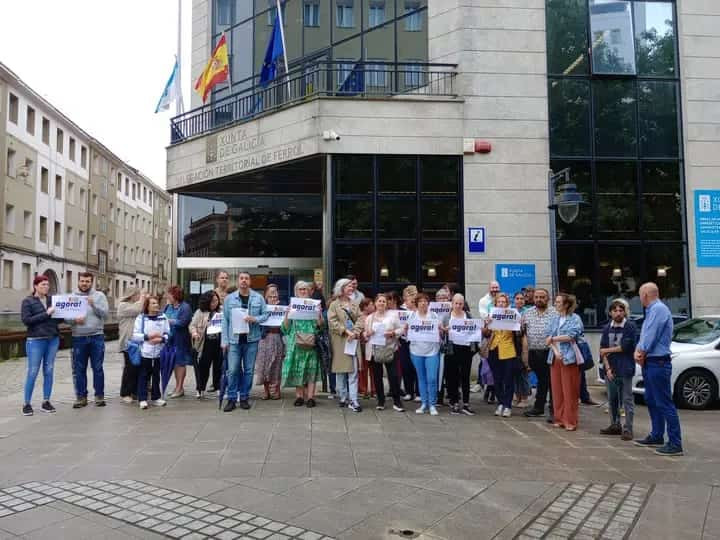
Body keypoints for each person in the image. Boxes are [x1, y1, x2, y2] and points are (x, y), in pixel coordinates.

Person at [633, 283, 683, 456]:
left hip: (658, 362)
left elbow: (651, 335)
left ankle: (675, 443)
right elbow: (644, 334)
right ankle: (656, 435)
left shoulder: (658, 309)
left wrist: (641, 351)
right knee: (652, 400)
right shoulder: (652, 310)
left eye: (640, 295)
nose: (639, 299)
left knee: (664, 402)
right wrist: (639, 351)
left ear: (645, 295)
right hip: (651, 361)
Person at [221, 272, 269, 412]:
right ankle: (231, 398)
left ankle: (244, 397)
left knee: (248, 370)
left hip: (251, 340)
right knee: (233, 369)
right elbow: (225, 320)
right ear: (237, 281)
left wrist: (255, 319)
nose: (244, 281)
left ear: (250, 281)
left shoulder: (258, 298)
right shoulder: (229, 299)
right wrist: (224, 340)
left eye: (246, 278)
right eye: (241, 278)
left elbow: (265, 315)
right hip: (234, 340)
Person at [67, 272, 109, 409]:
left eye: (87, 281)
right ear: (78, 281)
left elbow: (105, 315)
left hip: (97, 336)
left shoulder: (99, 296)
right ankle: (81, 397)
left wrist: (94, 304)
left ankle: (99, 396)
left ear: (92, 282)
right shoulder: (72, 297)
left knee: (97, 367)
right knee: (79, 369)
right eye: (82, 281)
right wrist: (74, 320)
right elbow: (65, 318)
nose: (84, 283)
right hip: (78, 337)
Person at [20, 275, 60, 416]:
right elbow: (26, 320)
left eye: (47, 285)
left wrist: (68, 314)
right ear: (35, 286)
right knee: (33, 371)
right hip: (35, 340)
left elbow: (58, 319)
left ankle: (46, 401)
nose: (46, 287)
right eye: (43, 284)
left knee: (49, 370)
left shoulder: (52, 300)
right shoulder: (28, 301)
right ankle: (26, 403)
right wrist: (46, 313)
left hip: (52, 339)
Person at [599, 298, 638, 441]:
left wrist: (607, 350)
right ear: (610, 313)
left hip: (625, 367)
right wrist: (607, 368)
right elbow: (601, 350)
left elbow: (625, 347)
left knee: (627, 399)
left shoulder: (630, 327)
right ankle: (615, 424)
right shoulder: (606, 328)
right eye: (615, 310)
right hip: (611, 368)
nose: (618, 313)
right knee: (612, 398)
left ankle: (628, 428)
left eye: (621, 310)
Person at [282, 281, 324, 407]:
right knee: (297, 369)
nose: (303, 291)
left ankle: (310, 397)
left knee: (311, 370)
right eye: (300, 289)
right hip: (295, 343)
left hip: (311, 342)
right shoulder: (292, 305)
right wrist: (287, 314)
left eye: (305, 289)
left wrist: (319, 314)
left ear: (309, 291)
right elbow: (285, 328)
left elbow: (320, 327)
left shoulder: (314, 305)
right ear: (296, 291)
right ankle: (299, 396)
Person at [546, 293, 584, 431]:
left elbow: (571, 335)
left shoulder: (575, 318)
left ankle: (570, 420)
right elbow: (548, 336)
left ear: (566, 304)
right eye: (555, 301)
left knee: (570, 390)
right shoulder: (554, 319)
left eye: (558, 302)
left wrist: (554, 339)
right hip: (555, 357)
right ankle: (559, 418)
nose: (555, 304)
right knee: (557, 390)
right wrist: (555, 351)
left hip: (570, 357)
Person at [482, 292, 523, 418]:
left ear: (507, 304)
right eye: (499, 302)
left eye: (504, 302)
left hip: (509, 350)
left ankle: (507, 405)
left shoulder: (513, 314)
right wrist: (487, 324)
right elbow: (485, 334)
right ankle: (500, 403)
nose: (501, 304)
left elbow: (519, 333)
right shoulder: (491, 315)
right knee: (497, 379)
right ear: (496, 304)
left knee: (508, 379)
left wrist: (520, 324)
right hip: (494, 349)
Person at [364, 293, 405, 412]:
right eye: (379, 301)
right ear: (375, 303)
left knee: (393, 376)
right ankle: (380, 401)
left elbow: (401, 329)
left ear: (387, 304)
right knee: (377, 377)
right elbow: (364, 334)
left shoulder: (393, 316)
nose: (381, 303)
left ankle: (397, 401)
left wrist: (393, 333)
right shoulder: (369, 318)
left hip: (390, 349)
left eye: (384, 301)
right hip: (375, 350)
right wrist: (367, 334)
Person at [328, 278, 363, 412]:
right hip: (340, 341)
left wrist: (355, 332)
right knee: (341, 371)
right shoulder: (334, 305)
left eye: (351, 286)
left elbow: (361, 318)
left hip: (352, 341)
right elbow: (332, 322)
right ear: (341, 288)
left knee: (353, 371)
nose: (351, 288)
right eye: (348, 286)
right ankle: (342, 396)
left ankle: (353, 400)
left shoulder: (354, 304)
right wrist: (345, 330)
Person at [522, 288, 557, 419]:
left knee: (552, 381)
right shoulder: (527, 313)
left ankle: (554, 409)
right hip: (533, 352)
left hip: (550, 351)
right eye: (536, 297)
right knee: (542, 381)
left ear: (548, 299)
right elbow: (523, 332)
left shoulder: (555, 312)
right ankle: (539, 407)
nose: (539, 299)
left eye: (542, 297)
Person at [406, 292, 441, 415]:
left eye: (425, 301)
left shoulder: (434, 315)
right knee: (421, 378)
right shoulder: (412, 316)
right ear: (417, 303)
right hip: (416, 351)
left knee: (432, 378)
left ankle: (432, 404)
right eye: (420, 301)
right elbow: (406, 330)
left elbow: (439, 330)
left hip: (432, 351)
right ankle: (424, 403)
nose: (423, 303)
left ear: (428, 303)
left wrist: (442, 329)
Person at [131, 295, 170, 409]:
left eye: (157, 303)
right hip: (145, 353)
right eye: (153, 303)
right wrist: (148, 337)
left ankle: (156, 397)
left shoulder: (163, 317)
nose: (156, 305)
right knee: (143, 376)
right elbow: (135, 335)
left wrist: (162, 339)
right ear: (147, 306)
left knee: (157, 375)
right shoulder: (141, 318)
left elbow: (168, 333)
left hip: (159, 352)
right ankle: (142, 398)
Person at [444, 293, 475, 415]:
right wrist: (444, 331)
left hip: (466, 350)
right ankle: (454, 402)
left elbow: (474, 331)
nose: (458, 306)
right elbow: (441, 334)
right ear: (452, 304)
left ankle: (466, 403)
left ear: (463, 304)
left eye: (460, 303)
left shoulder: (468, 316)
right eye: (456, 303)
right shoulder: (447, 317)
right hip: (452, 350)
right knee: (452, 377)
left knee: (465, 377)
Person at [190, 290, 223, 399]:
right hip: (205, 343)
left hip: (219, 342)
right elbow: (192, 325)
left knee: (218, 366)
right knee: (203, 367)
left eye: (216, 301)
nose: (215, 303)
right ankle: (200, 388)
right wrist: (194, 333)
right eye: (212, 301)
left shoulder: (221, 310)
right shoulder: (200, 312)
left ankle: (218, 387)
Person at [254, 284, 285, 400]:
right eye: (271, 292)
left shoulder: (282, 307)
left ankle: (276, 389)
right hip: (265, 338)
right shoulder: (261, 308)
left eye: (275, 292)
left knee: (277, 365)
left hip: (278, 337)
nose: (273, 294)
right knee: (265, 365)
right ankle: (266, 390)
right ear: (266, 295)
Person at [118, 288, 147, 403]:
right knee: (129, 367)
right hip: (128, 342)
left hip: (137, 341)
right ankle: (125, 392)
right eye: (138, 295)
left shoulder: (134, 305)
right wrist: (143, 298)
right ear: (132, 295)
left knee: (137, 367)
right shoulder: (123, 305)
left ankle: (135, 390)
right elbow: (138, 309)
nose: (139, 297)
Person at [164, 286, 193, 398]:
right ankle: (177, 387)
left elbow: (183, 322)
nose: (167, 296)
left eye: (169, 294)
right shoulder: (168, 307)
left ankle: (180, 388)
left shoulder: (185, 307)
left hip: (181, 339)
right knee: (174, 364)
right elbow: (162, 317)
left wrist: (170, 321)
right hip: (170, 339)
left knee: (180, 363)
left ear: (175, 295)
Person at [472, 280, 500, 393]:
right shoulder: (483, 301)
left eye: (496, 288)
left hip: (500, 334)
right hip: (487, 333)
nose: (495, 290)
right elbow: (484, 316)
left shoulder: (502, 299)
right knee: (485, 360)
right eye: (493, 287)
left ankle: (493, 389)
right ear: (489, 288)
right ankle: (481, 383)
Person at [399, 285, 419, 402]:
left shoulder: (419, 310)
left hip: (417, 341)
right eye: (409, 296)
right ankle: (408, 391)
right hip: (404, 342)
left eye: (413, 296)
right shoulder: (400, 310)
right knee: (406, 366)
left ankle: (419, 392)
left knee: (417, 367)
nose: (411, 299)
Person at [513, 292, 532, 408]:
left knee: (524, 371)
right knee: (515, 371)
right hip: (513, 343)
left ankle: (525, 397)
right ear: (514, 300)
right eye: (517, 298)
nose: (519, 300)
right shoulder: (511, 311)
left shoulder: (528, 312)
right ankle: (517, 396)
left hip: (524, 343)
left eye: (521, 298)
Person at [357, 298, 376, 399]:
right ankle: (363, 389)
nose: (373, 306)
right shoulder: (360, 317)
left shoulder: (374, 317)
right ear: (365, 306)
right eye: (371, 304)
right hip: (363, 346)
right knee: (363, 369)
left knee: (373, 369)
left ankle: (374, 389)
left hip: (372, 346)